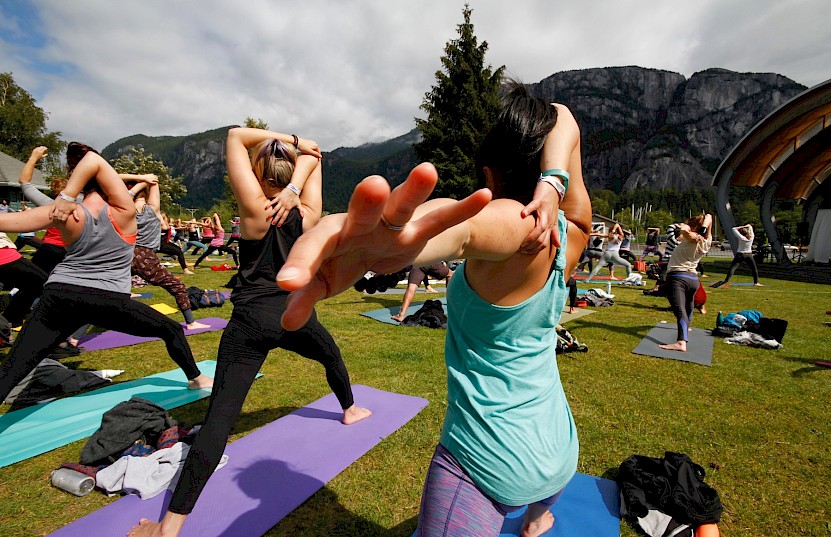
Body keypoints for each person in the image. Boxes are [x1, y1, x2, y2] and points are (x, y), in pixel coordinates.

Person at [274, 83, 592, 537]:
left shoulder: (519, 227)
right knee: (540, 503)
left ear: (490, 174)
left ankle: (535, 514)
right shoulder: (573, 229)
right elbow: (564, 117)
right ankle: (539, 518)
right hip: (557, 446)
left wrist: (401, 237)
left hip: (488, 460)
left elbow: (466, 229)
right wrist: (553, 181)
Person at [128, 127, 372, 537]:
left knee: (220, 419)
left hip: (250, 320)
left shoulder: (255, 207)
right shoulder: (307, 213)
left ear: (258, 176)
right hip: (294, 313)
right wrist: (301, 169)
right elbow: (317, 160)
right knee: (330, 355)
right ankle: (350, 407)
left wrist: (290, 139)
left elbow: (235, 136)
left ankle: (169, 527)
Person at [0, 143, 213, 405]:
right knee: (171, 330)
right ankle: (197, 379)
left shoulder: (64, 212)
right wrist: (68, 195)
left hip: (60, 295)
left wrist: (66, 198)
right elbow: (92, 158)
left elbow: (8, 222)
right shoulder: (123, 209)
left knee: (13, 368)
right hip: (107, 298)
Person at [124, 175, 206, 329]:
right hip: (145, 256)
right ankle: (191, 323)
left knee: (107, 295)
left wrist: (138, 179)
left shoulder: (125, 209)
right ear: (145, 192)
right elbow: (154, 182)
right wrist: (149, 179)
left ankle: (74, 337)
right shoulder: (152, 209)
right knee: (177, 287)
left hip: (125, 255)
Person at [658, 214, 713, 352]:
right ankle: (685, 328)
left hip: (678, 278)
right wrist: (703, 229)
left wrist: (689, 228)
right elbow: (709, 216)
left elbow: (683, 230)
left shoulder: (692, 238)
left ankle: (681, 342)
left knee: (680, 310)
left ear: (694, 227)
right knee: (688, 307)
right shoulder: (707, 240)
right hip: (693, 279)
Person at [712, 224, 761, 288]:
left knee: (733, 268)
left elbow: (734, 229)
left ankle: (726, 280)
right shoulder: (751, 237)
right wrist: (747, 226)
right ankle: (756, 282)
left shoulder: (741, 237)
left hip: (740, 254)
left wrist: (742, 227)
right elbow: (750, 227)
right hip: (748, 254)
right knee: (754, 268)